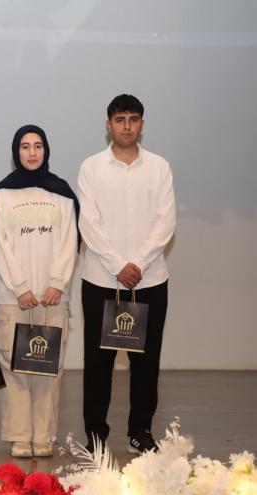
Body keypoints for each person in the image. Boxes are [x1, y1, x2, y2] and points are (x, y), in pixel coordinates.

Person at [77, 94, 176, 454]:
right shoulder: (91, 167)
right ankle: (95, 434)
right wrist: (119, 265)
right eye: (120, 119)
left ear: (141, 124)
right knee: (98, 362)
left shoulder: (159, 167)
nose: (127, 126)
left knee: (146, 362)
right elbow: (89, 223)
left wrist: (139, 263)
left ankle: (140, 432)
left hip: (150, 280)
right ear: (109, 125)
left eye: (133, 119)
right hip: (102, 280)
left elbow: (166, 221)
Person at [0, 125, 79, 458]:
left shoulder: (62, 194)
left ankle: (43, 435)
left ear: (46, 150)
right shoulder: (0, 195)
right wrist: (21, 287)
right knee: (14, 368)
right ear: (16, 151)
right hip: (13, 298)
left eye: (37, 146)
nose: (31, 152)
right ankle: (19, 436)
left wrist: (57, 282)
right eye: (25, 146)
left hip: (53, 297)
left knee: (47, 367)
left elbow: (70, 242)